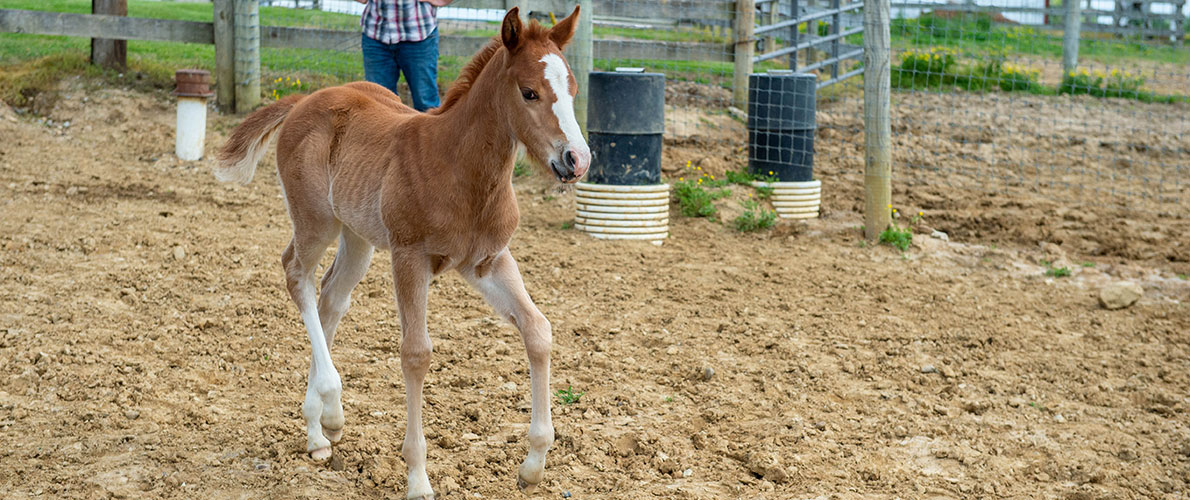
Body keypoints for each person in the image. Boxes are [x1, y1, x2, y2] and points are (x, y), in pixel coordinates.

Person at [355, 0, 453, 111]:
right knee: (380, 104)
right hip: (376, 34)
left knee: (425, 103)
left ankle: (432, 129)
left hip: (419, 34)